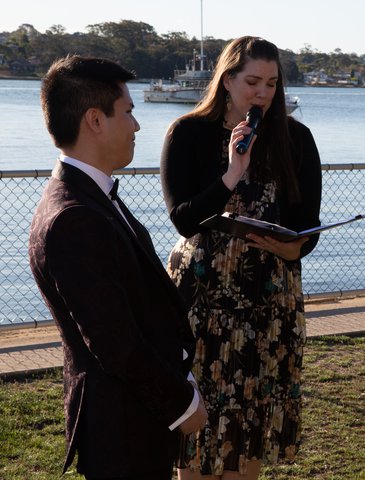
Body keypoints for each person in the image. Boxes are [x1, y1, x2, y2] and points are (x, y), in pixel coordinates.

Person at [29, 55, 208, 480]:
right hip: (122, 427)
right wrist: (182, 404)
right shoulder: (75, 217)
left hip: (133, 418)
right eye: (127, 112)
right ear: (95, 120)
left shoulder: (91, 196)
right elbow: (114, 342)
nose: (136, 125)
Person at [160, 36, 322, 479]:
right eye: (252, 81)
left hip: (268, 298)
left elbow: (308, 225)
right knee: (198, 422)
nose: (263, 93)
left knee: (252, 415)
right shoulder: (188, 133)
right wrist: (233, 172)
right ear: (227, 79)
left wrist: (295, 247)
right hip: (203, 299)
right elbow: (184, 219)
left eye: (271, 83)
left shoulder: (298, 139)